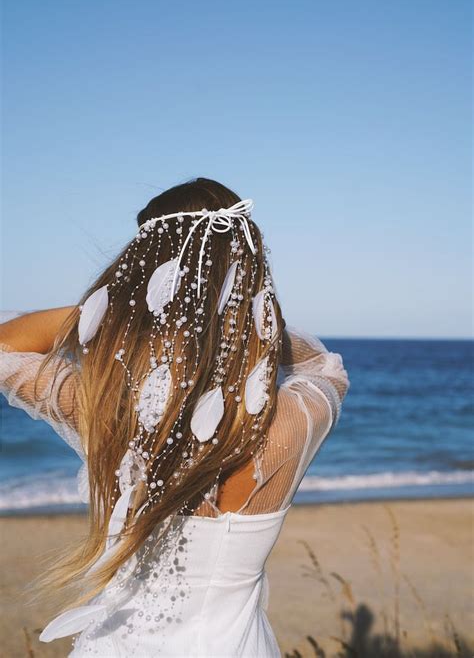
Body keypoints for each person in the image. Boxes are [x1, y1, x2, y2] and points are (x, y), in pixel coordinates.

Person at [0, 178, 350, 657]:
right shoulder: (291, 420)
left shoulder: (108, 407)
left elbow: (6, 345)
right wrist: (239, 311)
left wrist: (119, 308)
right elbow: (324, 367)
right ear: (249, 278)